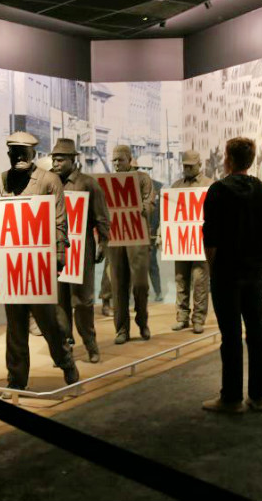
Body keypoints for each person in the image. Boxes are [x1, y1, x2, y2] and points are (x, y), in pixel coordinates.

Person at [0, 131, 79, 397]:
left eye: (23, 152)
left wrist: (59, 257)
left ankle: (67, 363)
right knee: (15, 325)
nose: (17, 156)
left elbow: (60, 222)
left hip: (40, 265)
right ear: (7, 153)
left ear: (34, 154)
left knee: (49, 322)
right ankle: (16, 379)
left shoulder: (49, 181)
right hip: (11, 266)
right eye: (13, 151)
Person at [202, 137, 262, 413]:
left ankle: (232, 398)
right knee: (257, 332)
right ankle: (259, 396)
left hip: (226, 273)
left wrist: (214, 267)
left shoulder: (218, 191)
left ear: (229, 159)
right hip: (254, 274)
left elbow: (209, 239)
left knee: (231, 336)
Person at [50, 138, 111, 363]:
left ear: (72, 160)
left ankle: (91, 344)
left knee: (83, 300)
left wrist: (103, 242)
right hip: (55, 248)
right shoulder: (48, 182)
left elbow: (101, 216)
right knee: (59, 300)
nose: (55, 163)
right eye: (54, 158)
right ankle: (65, 348)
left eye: (60, 159)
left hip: (81, 245)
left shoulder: (88, 183)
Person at [108, 145, 154, 344]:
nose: (117, 164)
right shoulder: (108, 182)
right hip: (115, 237)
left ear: (130, 160)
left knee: (141, 284)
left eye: (121, 160)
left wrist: (137, 208)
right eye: (115, 160)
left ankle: (142, 321)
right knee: (118, 284)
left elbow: (150, 203)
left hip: (137, 236)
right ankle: (121, 329)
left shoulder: (142, 179)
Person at [171, 150, 214, 333]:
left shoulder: (210, 185)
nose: (187, 169)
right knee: (181, 280)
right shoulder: (176, 186)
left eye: (190, 165)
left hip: (202, 242)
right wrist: (163, 233)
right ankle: (182, 317)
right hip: (182, 241)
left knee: (199, 281)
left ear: (199, 165)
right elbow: (169, 213)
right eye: (185, 165)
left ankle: (198, 318)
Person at [136, 155, 164, 303]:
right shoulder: (133, 186)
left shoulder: (159, 187)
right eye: (142, 168)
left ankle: (158, 291)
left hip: (152, 231)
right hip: (135, 231)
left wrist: (160, 232)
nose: (146, 171)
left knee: (152, 263)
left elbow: (162, 213)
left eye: (148, 169)